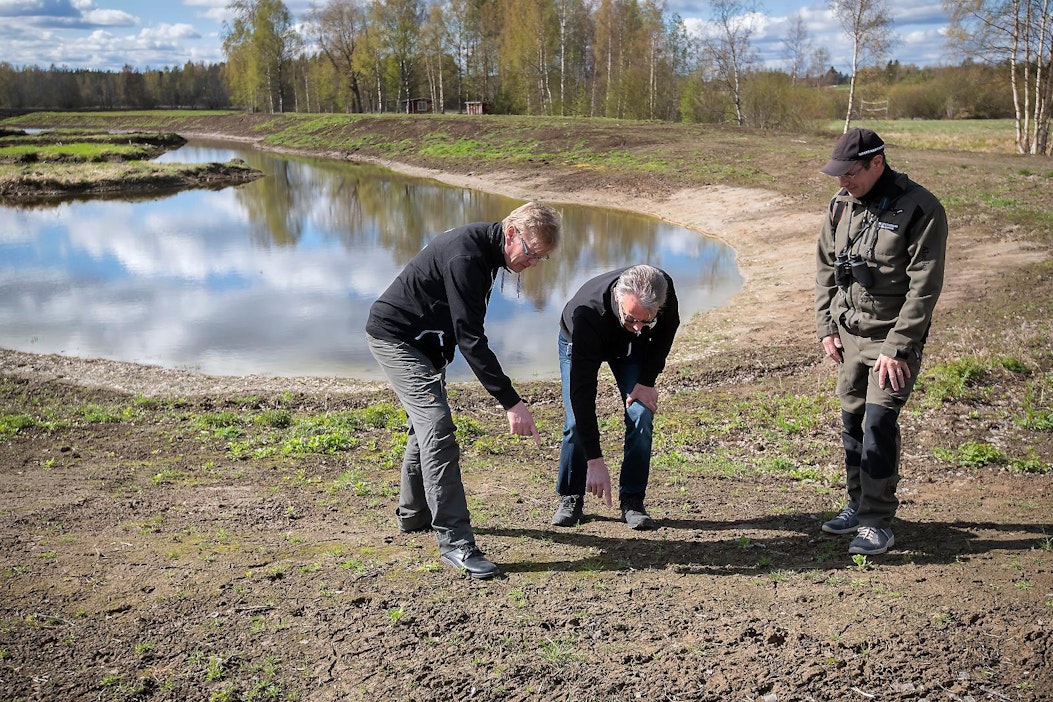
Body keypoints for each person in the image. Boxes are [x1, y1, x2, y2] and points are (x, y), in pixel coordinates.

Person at [365, 201, 562, 579]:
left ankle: (413, 514)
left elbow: (458, 324)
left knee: (423, 428)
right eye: (532, 252)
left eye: (541, 258)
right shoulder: (467, 256)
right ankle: (456, 542)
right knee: (437, 429)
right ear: (511, 233)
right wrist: (511, 401)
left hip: (424, 345)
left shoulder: (486, 255)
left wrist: (440, 357)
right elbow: (471, 338)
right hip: (396, 338)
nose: (533, 263)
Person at [815, 128, 948, 556]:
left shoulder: (921, 208)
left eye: (850, 173)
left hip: (891, 340)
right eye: (838, 175)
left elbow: (924, 288)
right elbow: (825, 268)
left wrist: (899, 345)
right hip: (848, 334)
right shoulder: (840, 205)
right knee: (852, 423)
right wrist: (827, 327)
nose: (842, 182)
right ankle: (856, 503)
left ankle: (877, 523)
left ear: (877, 163)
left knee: (878, 425)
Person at [550, 264, 680, 530]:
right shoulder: (586, 314)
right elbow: (581, 393)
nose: (637, 327)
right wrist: (594, 459)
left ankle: (632, 500)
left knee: (641, 413)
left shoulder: (661, 290)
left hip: (631, 350)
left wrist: (647, 381)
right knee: (575, 422)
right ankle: (571, 496)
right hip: (583, 339)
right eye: (630, 318)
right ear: (619, 298)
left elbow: (668, 329)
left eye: (646, 320)